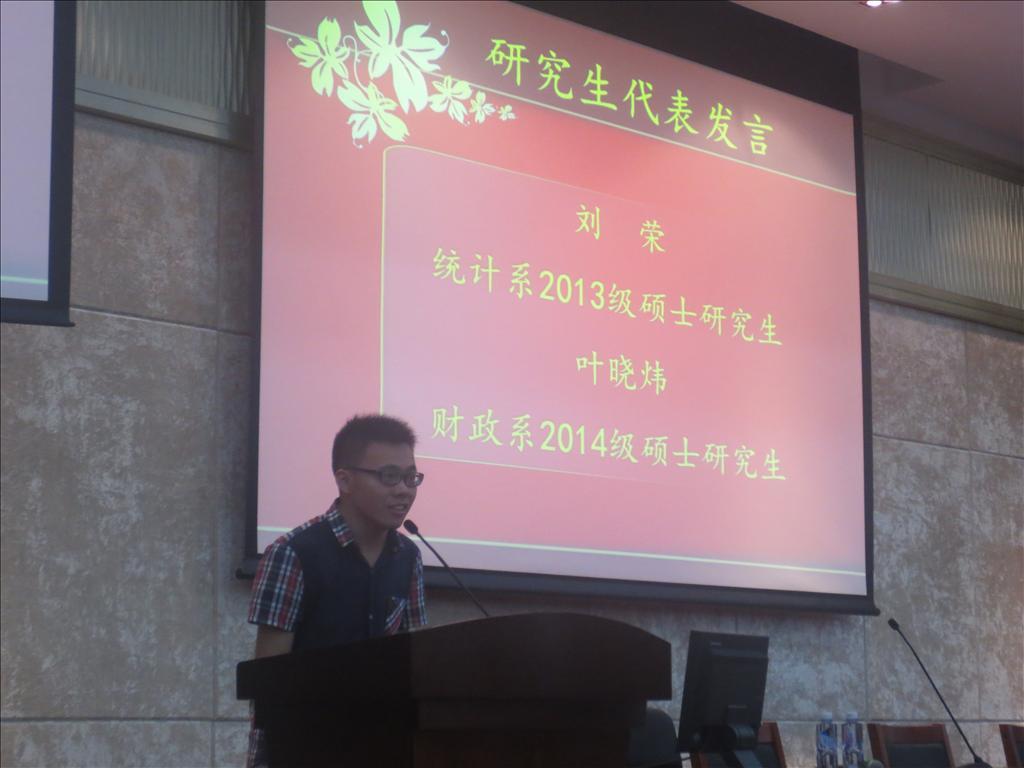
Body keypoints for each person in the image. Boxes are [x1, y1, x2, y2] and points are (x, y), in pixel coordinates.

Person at [246, 414, 428, 767]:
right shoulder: (293, 554)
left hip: (380, 746)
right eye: (389, 476)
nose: (404, 490)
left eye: (411, 477)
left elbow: (414, 661)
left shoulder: (408, 556)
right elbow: (267, 682)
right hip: (304, 747)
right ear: (344, 480)